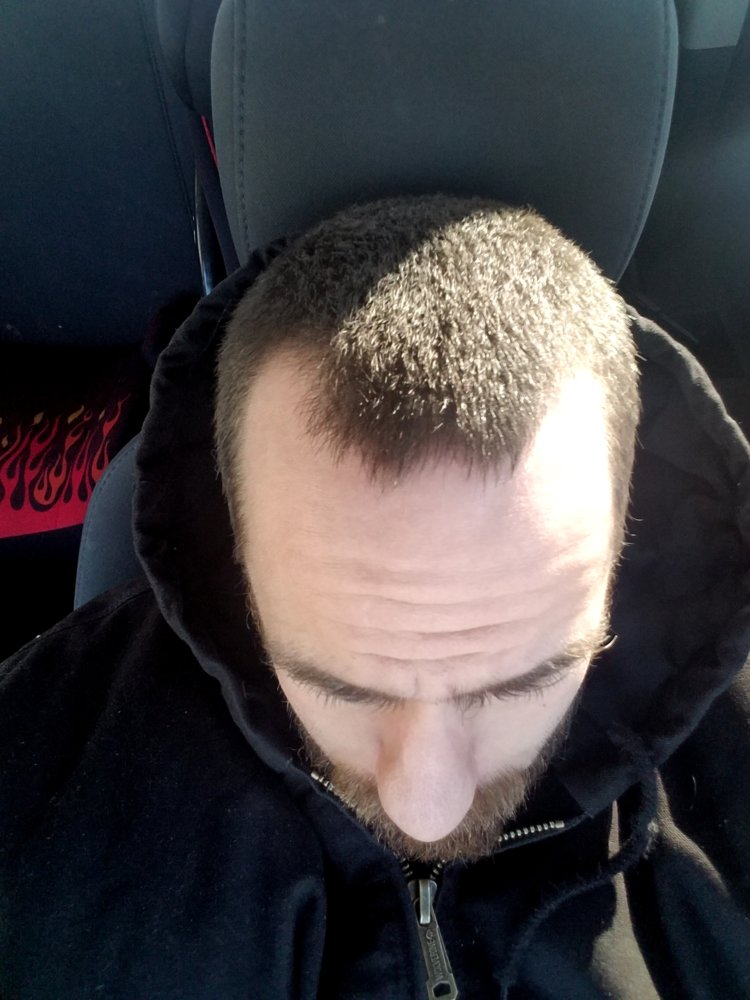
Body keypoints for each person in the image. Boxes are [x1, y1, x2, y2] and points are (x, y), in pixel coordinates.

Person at [1, 195, 749, 999]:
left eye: (524, 683)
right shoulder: (30, 773)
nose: (427, 808)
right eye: (341, 688)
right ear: (234, 548)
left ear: (622, 543)